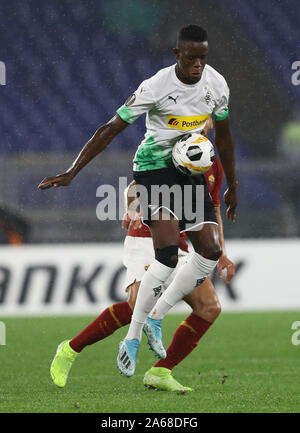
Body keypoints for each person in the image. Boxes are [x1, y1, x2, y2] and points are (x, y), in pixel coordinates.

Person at [38, 24, 237, 378]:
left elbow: (215, 201)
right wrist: (75, 174)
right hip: (149, 233)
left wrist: (221, 248)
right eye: (191, 57)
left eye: (203, 58)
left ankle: (160, 371)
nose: (198, 65)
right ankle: (70, 348)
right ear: (177, 54)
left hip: (182, 233)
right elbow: (113, 133)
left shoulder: (208, 152)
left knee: (208, 306)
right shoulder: (156, 89)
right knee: (135, 307)